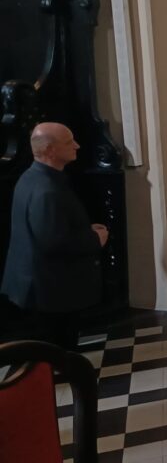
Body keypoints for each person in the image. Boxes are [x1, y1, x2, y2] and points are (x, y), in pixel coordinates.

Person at [0, 122, 108, 349]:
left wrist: (85, 229)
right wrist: (94, 239)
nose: (77, 145)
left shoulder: (32, 177)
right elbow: (53, 242)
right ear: (50, 150)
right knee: (59, 351)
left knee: (51, 351)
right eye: (69, 142)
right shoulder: (47, 189)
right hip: (51, 290)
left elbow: (49, 227)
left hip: (38, 284)